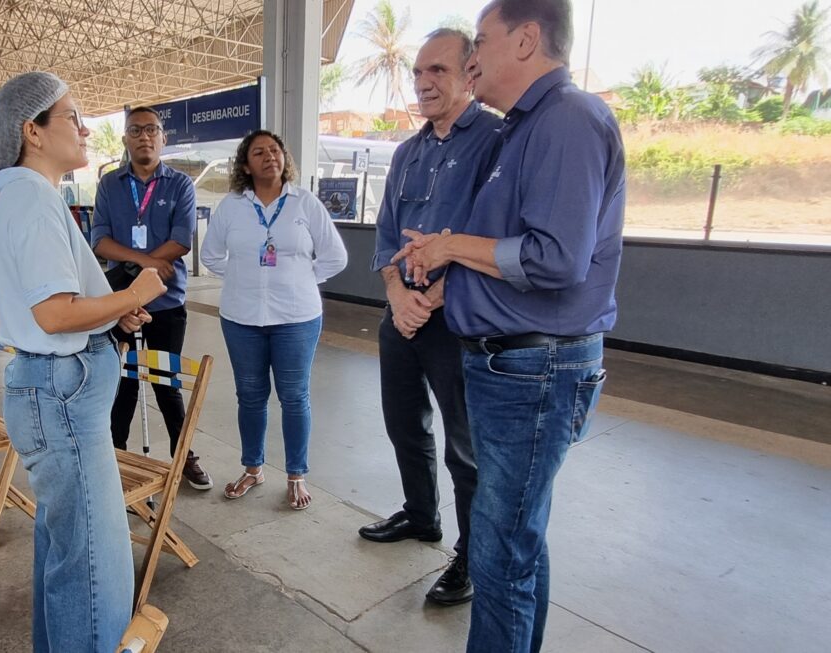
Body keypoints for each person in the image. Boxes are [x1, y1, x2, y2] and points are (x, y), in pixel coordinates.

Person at [394, 1, 625, 650]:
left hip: (533, 371)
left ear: (527, 40)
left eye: (482, 42)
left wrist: (450, 247)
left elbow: (554, 258)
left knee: (498, 555)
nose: (473, 58)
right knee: (517, 539)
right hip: (509, 366)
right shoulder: (523, 129)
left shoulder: (569, 121)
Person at [0, 71, 168, 653]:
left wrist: (111, 313)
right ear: (31, 131)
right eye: (72, 117)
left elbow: (64, 307)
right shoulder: (33, 200)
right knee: (95, 569)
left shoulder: (28, 198)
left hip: (53, 393)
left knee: (70, 557)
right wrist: (134, 294)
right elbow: (54, 314)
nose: (87, 130)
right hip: (61, 397)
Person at [359, 27, 502, 608]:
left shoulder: (496, 139)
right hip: (403, 314)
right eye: (418, 73)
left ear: (471, 73)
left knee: (463, 448)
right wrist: (398, 296)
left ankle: (470, 557)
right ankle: (422, 516)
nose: (423, 84)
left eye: (437, 71)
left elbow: (496, 233)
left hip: (459, 319)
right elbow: (387, 234)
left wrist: (434, 299)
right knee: (404, 423)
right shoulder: (407, 152)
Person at [200, 130, 348, 510]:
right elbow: (211, 255)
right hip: (241, 317)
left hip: (296, 318)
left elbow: (335, 256)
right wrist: (241, 277)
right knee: (250, 396)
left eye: (275, 150)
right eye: (258, 152)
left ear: (285, 158)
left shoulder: (305, 203)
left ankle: (296, 474)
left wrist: (301, 279)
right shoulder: (231, 206)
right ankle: (253, 468)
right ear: (245, 165)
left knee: (294, 396)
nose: (270, 157)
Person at [91, 106, 212, 490]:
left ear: (163, 138)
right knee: (121, 382)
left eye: (152, 130)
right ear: (125, 138)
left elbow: (180, 240)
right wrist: (146, 265)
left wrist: (150, 271)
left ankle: (183, 455)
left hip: (166, 303)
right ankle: (115, 455)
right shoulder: (110, 184)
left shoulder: (180, 185)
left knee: (166, 382)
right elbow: (100, 240)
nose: (144, 137)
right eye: (135, 130)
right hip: (119, 301)